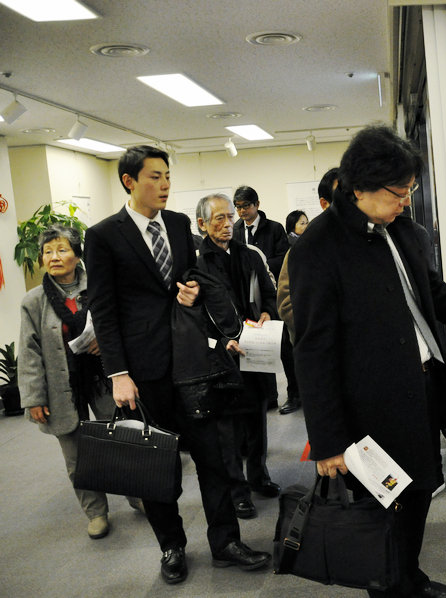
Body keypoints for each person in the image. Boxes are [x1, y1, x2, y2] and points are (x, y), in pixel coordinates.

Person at [289, 125, 446, 598]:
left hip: (422, 387)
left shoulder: (406, 231)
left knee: (420, 492)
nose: (406, 200)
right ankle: (389, 586)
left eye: (410, 190)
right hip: (368, 407)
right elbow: (312, 351)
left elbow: (436, 295)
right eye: (398, 192)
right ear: (359, 187)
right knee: (383, 509)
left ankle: (409, 578)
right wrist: (328, 442)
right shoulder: (317, 249)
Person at [84, 145, 270, 585]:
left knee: (216, 458)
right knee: (159, 466)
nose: (165, 184)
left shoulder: (179, 223)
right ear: (129, 181)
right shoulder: (104, 235)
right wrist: (118, 374)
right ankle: (172, 546)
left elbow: (194, 276)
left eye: (167, 175)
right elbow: (105, 310)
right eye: (154, 177)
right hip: (144, 371)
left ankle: (226, 542)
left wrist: (195, 293)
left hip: (194, 362)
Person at [19, 225, 122, 539]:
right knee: (76, 456)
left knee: (120, 441)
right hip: (62, 386)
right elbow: (29, 350)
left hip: (104, 377)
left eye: (62, 250)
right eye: (48, 252)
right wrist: (33, 397)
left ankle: (138, 496)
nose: (53, 257)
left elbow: (123, 323)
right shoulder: (34, 301)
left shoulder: (101, 286)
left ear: (78, 255)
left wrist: (106, 342)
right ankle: (96, 512)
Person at [195, 192, 281, 518]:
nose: (228, 223)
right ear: (202, 224)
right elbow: (196, 319)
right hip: (222, 355)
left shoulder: (251, 255)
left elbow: (270, 295)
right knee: (228, 430)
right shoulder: (196, 263)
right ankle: (238, 490)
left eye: (230, 216)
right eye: (219, 218)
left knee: (258, 418)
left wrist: (268, 315)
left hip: (257, 349)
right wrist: (220, 342)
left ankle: (259, 475)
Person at [276, 166, 339, 415]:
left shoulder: (368, 244)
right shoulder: (303, 250)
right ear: (325, 203)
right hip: (321, 356)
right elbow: (286, 304)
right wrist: (324, 330)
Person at [232, 185, 297, 412]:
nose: (242, 212)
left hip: (273, 293)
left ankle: (294, 395)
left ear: (257, 205)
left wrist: (259, 262)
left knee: (284, 347)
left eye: (246, 206)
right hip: (248, 297)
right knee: (258, 348)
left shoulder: (274, 229)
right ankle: (268, 396)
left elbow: (283, 258)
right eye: (238, 207)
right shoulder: (236, 230)